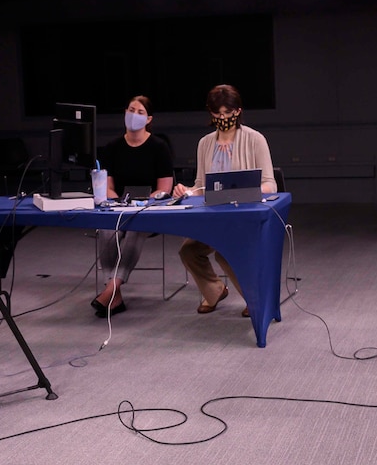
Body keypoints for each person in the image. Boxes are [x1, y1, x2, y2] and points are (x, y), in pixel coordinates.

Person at [172, 84, 276, 316]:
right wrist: (186, 191)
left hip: (244, 219)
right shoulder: (205, 143)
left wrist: (243, 192)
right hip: (214, 219)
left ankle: (254, 298)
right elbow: (201, 186)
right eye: (218, 114)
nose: (223, 118)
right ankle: (215, 290)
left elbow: (270, 184)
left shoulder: (255, 139)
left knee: (226, 250)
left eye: (229, 114)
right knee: (188, 251)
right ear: (210, 113)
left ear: (238, 111)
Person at [90, 95, 174, 318]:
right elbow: (106, 186)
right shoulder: (112, 147)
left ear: (149, 119)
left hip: (148, 210)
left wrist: (144, 203)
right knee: (107, 226)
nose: (133, 115)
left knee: (136, 226)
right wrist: (118, 203)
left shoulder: (159, 147)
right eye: (130, 110)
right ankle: (115, 295)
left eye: (139, 112)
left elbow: (165, 187)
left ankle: (111, 287)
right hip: (119, 207)